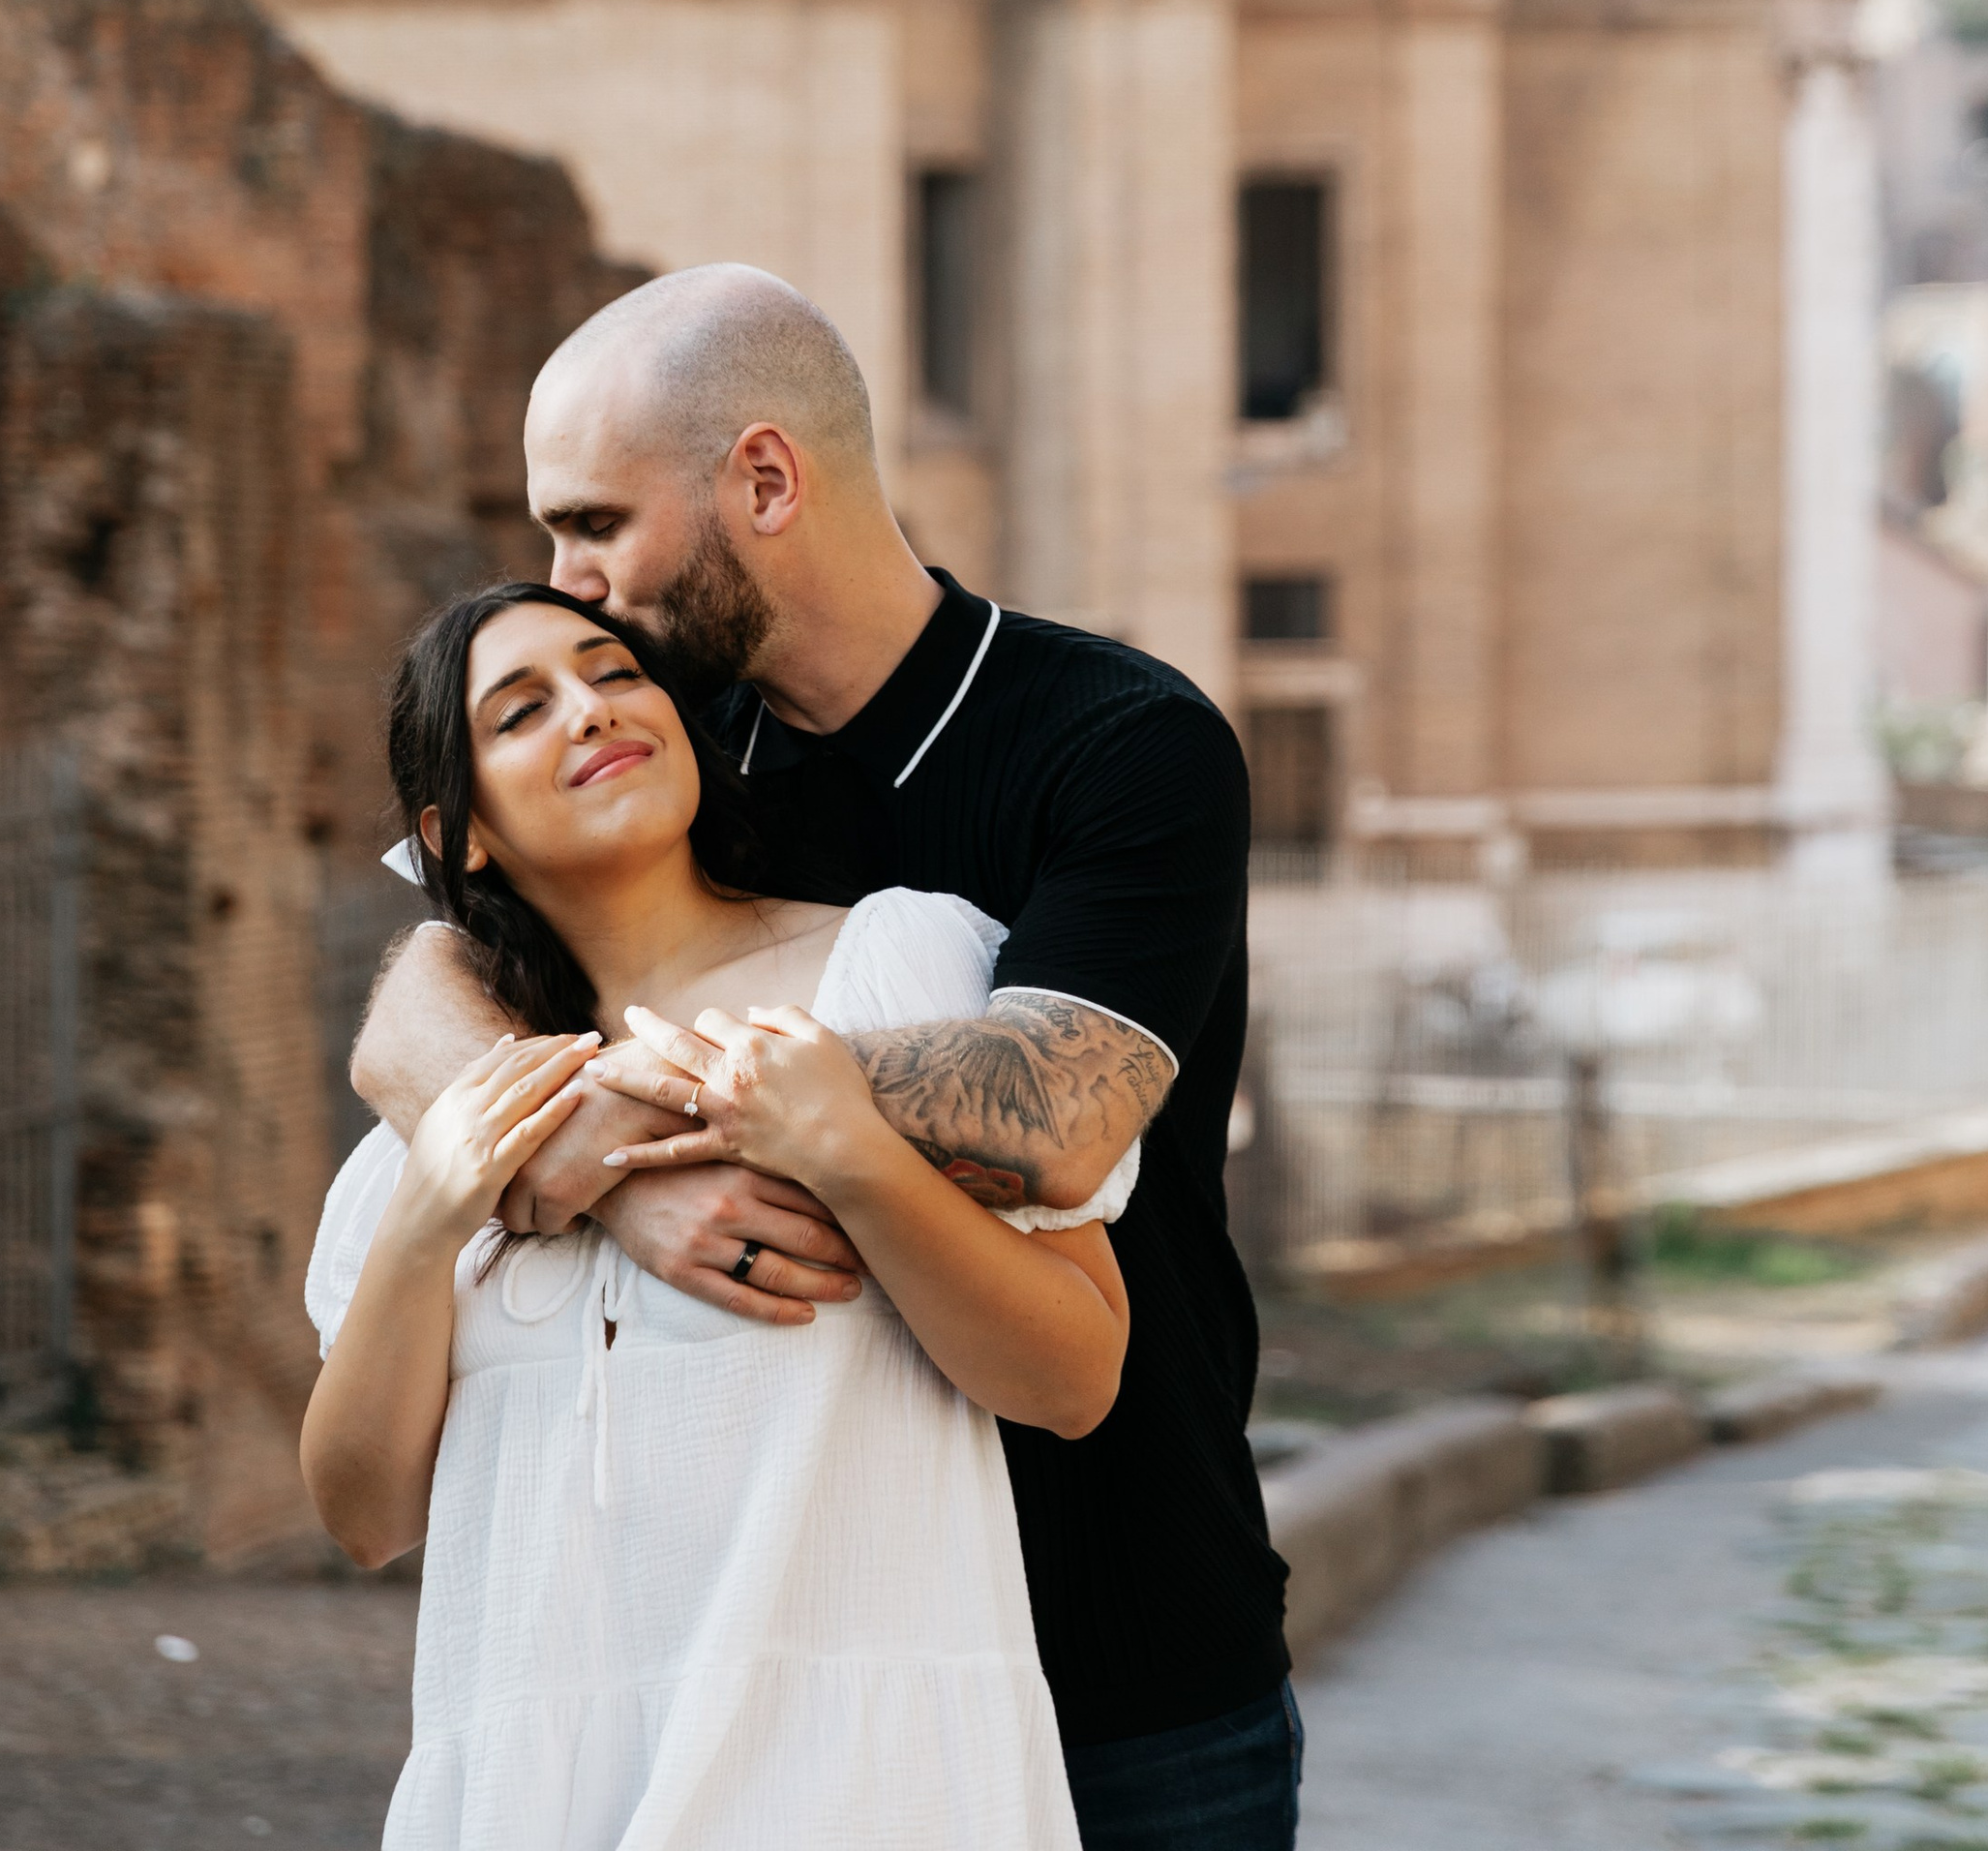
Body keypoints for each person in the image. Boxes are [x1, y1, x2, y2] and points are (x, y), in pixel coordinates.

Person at [354, 266, 1298, 1851]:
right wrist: (583, 1167)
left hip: (1123, 1642)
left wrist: (653, 1112)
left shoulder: (1120, 745)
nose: (568, 586)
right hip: (786, 1677)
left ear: (765, 482)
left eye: (594, 525)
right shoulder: (662, 732)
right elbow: (420, 983)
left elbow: (1054, 1117)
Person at [304, 575, 1131, 1849]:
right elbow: (365, 1515)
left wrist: (854, 1153)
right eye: (521, 711)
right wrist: (440, 1205)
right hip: (533, 1808)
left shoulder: (897, 969)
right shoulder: (443, 1114)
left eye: (614, 672)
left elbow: (1074, 1377)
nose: (589, 709)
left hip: (864, 1794)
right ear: (455, 832)